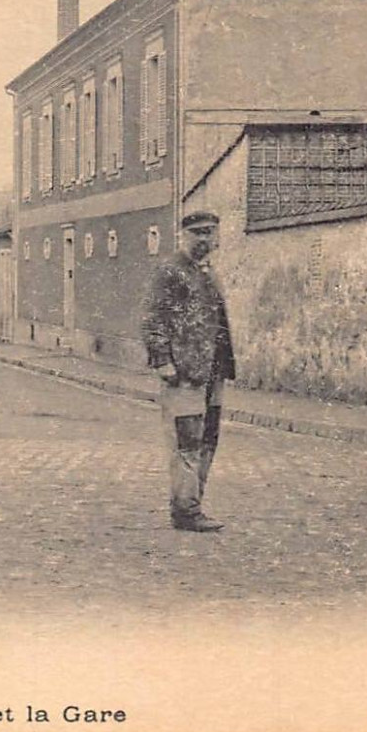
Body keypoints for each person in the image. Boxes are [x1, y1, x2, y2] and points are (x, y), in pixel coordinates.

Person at [141, 210, 236, 532]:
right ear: (184, 235)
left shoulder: (210, 273)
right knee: (187, 442)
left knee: (208, 441)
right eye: (198, 233)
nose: (205, 239)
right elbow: (153, 318)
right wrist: (163, 362)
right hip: (184, 373)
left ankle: (193, 505)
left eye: (210, 232)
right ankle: (185, 511)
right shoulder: (170, 271)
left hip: (213, 372)